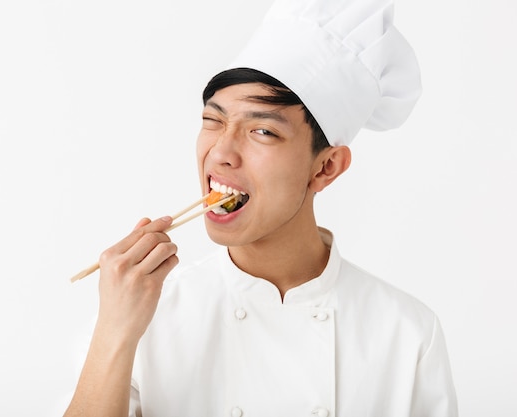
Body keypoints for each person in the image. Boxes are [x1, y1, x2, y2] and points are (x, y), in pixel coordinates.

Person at [63, 0, 458, 415]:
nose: (221, 153)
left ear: (325, 168)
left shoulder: (408, 334)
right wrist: (113, 332)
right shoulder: (144, 312)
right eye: (213, 120)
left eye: (263, 130)